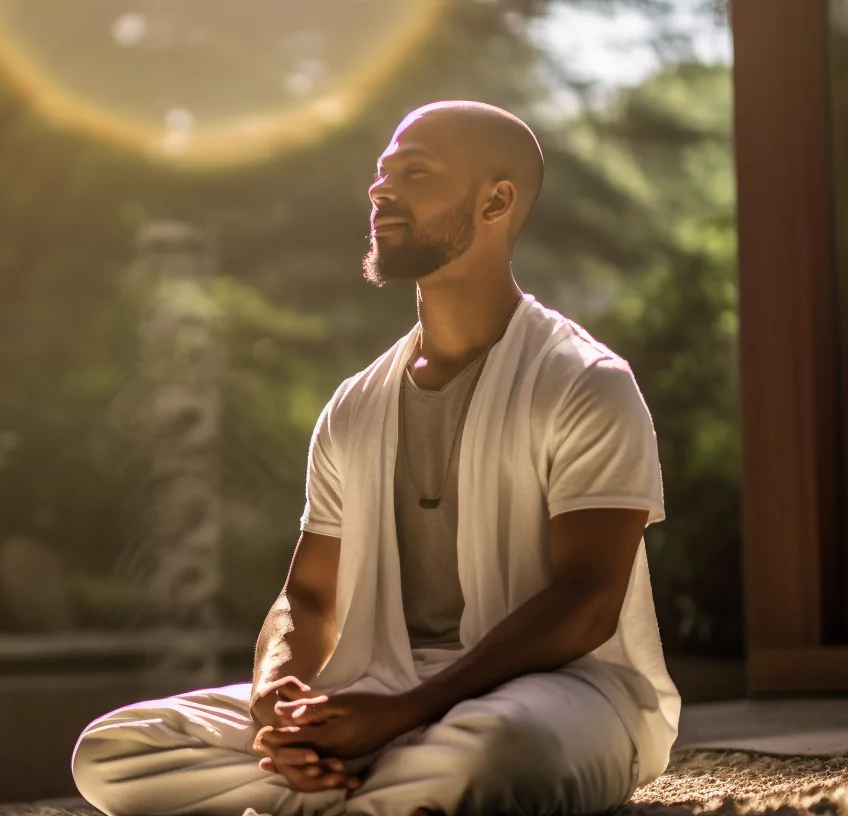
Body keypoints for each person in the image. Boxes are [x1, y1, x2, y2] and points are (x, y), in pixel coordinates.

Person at [70, 101, 679, 816]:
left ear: (496, 199)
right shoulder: (355, 406)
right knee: (113, 751)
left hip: (557, 693)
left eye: (414, 173)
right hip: (377, 686)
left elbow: (587, 605)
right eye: (382, 174)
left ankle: (333, 790)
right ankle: (367, 792)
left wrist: (406, 712)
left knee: (503, 756)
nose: (379, 191)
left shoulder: (586, 382)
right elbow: (309, 600)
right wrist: (277, 702)